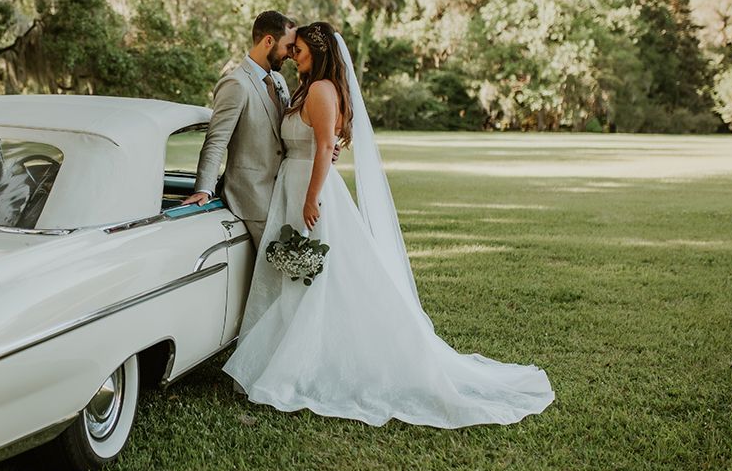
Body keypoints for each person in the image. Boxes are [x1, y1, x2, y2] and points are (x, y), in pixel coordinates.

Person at [223, 22, 555, 428]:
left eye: (302, 51)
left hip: (311, 194)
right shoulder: (305, 89)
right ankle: (288, 355)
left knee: (316, 279)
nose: (295, 56)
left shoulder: (322, 90)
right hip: (291, 188)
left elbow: (326, 145)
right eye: (294, 50)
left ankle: (302, 365)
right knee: (303, 280)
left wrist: (311, 197)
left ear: (320, 53)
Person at [184, 11, 296, 248]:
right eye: (288, 46)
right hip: (250, 199)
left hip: (283, 194)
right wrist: (204, 188)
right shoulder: (236, 84)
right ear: (268, 41)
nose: (291, 55)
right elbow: (216, 140)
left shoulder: (279, 82)